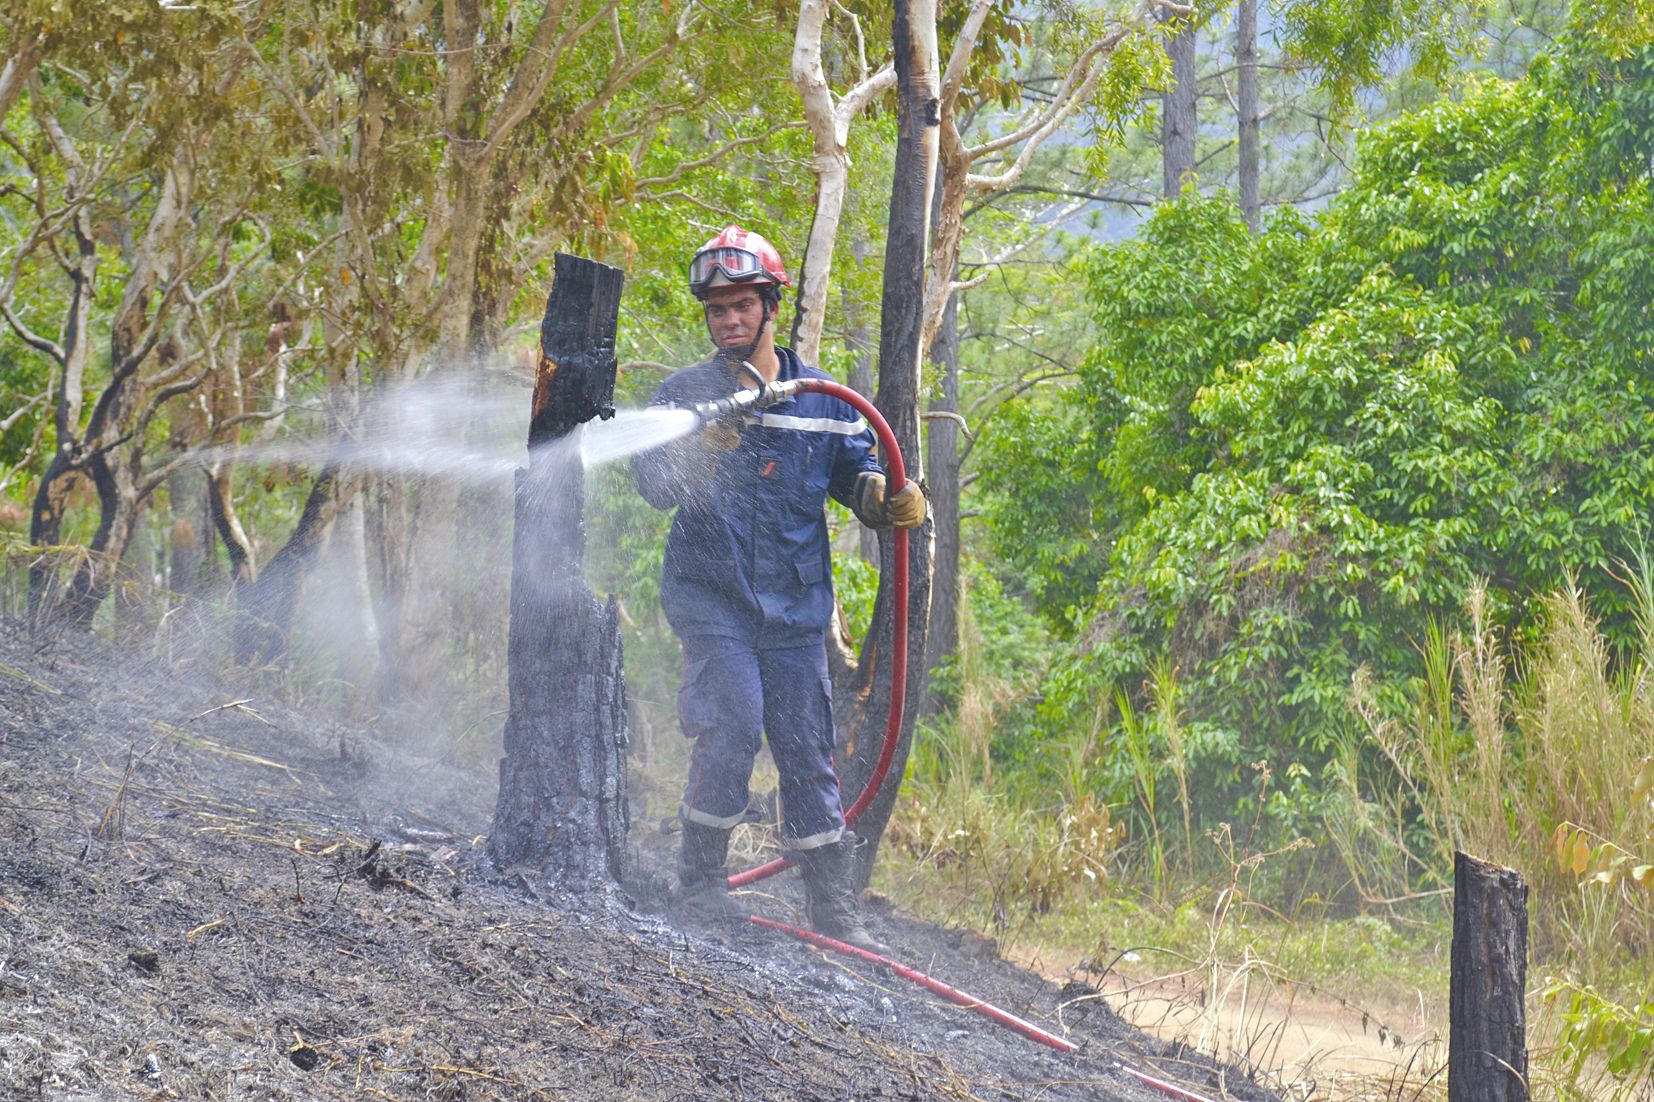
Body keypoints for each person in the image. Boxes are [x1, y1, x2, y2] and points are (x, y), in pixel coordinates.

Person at [632, 225, 924, 950]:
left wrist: (885, 497)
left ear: (771, 307)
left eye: (741, 307)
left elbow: (854, 475)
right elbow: (653, 487)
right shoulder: (684, 396)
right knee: (731, 722)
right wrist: (700, 448)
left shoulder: (820, 402)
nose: (728, 321)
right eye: (716, 309)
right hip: (712, 602)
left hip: (794, 611)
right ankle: (700, 883)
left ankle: (834, 911)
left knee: (805, 748)